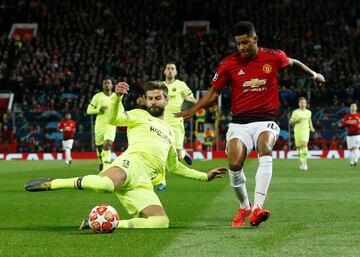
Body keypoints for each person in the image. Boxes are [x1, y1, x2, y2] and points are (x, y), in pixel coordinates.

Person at [175, 21, 325, 227]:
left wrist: (314, 75)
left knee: (265, 148)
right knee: (235, 164)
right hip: (239, 123)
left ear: (255, 39)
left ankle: (257, 208)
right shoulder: (228, 64)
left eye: (245, 42)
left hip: (267, 121)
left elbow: (294, 62)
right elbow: (213, 93)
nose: (242, 47)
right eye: (238, 44)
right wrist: (194, 109)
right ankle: (245, 206)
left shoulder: (273, 56)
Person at [25, 81, 227, 229]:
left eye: (158, 98)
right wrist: (118, 97)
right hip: (130, 164)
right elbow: (114, 118)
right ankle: (53, 183)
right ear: (146, 101)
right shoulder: (140, 115)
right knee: (104, 186)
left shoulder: (170, 131)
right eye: (150, 98)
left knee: (160, 222)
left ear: (167, 99)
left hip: (143, 182)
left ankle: (106, 223)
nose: (154, 102)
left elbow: (175, 167)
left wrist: (204, 176)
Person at [137, 63, 197, 190]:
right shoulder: (160, 87)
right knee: (161, 151)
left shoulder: (181, 85)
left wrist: (188, 100)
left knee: (178, 155)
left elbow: (194, 101)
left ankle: (184, 154)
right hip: (160, 122)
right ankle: (161, 182)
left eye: (173, 69)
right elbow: (150, 101)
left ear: (176, 72)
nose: (170, 71)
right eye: (168, 68)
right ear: (164, 71)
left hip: (176, 124)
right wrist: (143, 102)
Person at [86, 78, 118, 171]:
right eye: (105, 83)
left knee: (107, 144)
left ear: (112, 85)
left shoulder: (116, 97)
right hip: (99, 126)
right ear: (102, 85)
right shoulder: (97, 97)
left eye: (108, 83)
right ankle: (100, 161)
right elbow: (88, 111)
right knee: (99, 147)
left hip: (111, 125)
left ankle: (106, 167)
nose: (107, 85)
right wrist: (98, 110)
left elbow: (121, 109)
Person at [290, 97, 315, 171]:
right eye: (301, 102)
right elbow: (290, 122)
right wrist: (297, 120)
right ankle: (300, 161)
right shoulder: (295, 112)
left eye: (304, 102)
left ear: (306, 104)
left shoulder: (309, 112)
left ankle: (304, 162)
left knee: (305, 144)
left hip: (305, 131)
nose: (303, 104)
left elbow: (309, 120)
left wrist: (311, 127)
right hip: (297, 131)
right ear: (299, 104)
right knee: (299, 147)